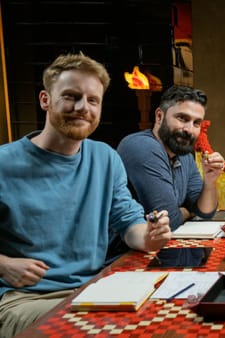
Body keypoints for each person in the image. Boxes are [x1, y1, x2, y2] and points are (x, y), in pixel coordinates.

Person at [0, 53, 172, 337]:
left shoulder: (105, 158)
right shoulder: (5, 163)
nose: (83, 107)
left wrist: (149, 236)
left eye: (93, 100)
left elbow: (128, 222)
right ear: (45, 100)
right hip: (25, 300)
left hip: (94, 290)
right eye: (71, 96)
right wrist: (4, 265)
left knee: (166, 321)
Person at [107, 85, 225, 262]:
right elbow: (171, 220)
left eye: (196, 123)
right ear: (159, 116)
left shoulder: (183, 152)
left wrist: (210, 181)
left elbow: (204, 211)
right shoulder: (141, 147)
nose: (189, 129)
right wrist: (186, 211)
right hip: (125, 257)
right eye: (182, 118)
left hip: (162, 252)